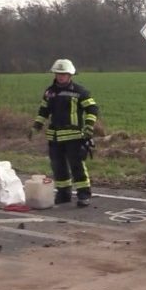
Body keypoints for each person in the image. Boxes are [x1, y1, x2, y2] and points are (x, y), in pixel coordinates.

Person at [29, 59, 99, 207]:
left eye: (64, 74)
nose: (61, 76)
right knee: (58, 166)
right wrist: (36, 126)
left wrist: (89, 127)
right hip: (54, 136)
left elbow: (92, 109)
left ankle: (83, 194)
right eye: (58, 73)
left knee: (77, 166)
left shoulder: (80, 92)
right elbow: (43, 111)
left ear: (70, 74)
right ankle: (64, 194)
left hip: (74, 136)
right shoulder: (50, 92)